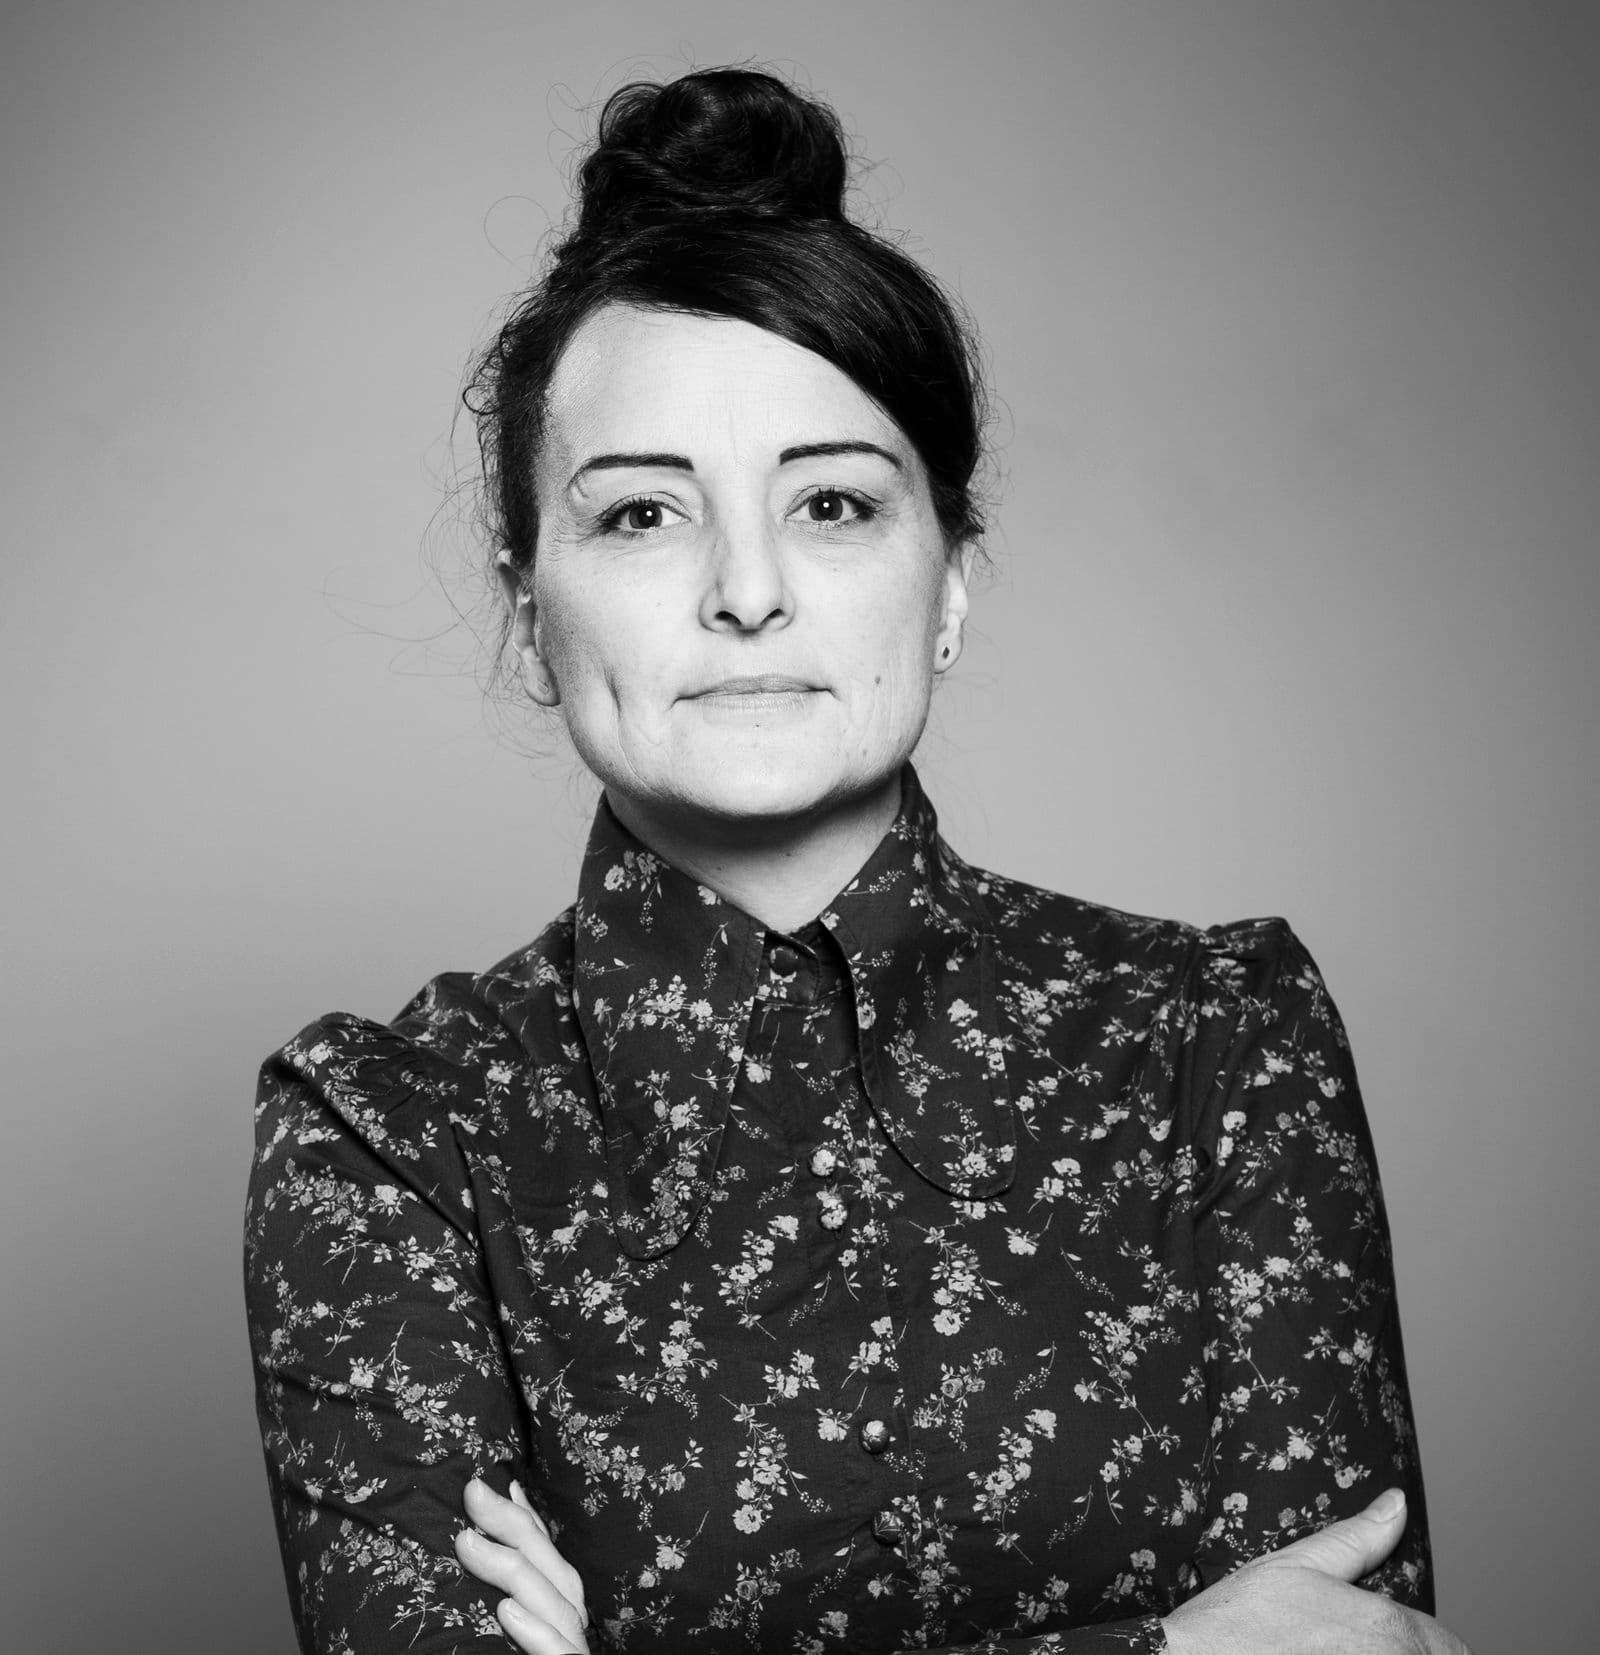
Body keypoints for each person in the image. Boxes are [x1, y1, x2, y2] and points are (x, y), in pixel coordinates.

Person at [244, 67, 1473, 1655]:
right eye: (640, 518)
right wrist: (1163, 1649)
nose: (748, 591)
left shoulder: (1214, 1036)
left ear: (948, 576)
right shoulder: (390, 1128)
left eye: (831, 502)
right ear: (527, 609)